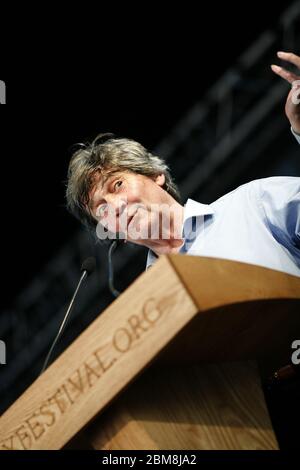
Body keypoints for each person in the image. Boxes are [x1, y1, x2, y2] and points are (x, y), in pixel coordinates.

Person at [66, 52, 300, 277]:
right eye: (102, 210)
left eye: (117, 185)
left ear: (155, 174)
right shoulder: (148, 304)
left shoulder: (252, 205)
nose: (115, 206)